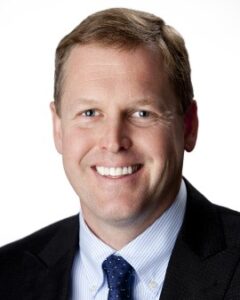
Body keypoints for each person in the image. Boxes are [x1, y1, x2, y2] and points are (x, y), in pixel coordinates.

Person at [0, 7, 240, 300]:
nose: (113, 142)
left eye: (142, 113)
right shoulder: (7, 276)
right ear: (58, 128)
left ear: (189, 126)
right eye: (90, 113)